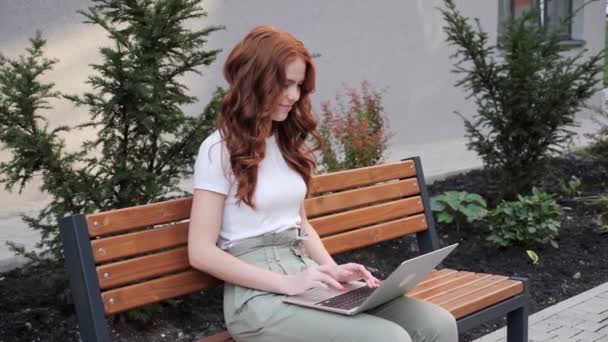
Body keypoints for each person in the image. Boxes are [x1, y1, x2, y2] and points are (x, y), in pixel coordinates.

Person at [188, 25, 458, 342]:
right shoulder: (218, 149)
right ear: (255, 79)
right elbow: (201, 252)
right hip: (257, 300)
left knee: (439, 325)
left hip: (306, 276)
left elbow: (300, 223)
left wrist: (333, 270)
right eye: (285, 83)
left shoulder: (285, 143)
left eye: (299, 85)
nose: (293, 95)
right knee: (388, 339)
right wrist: (287, 283)